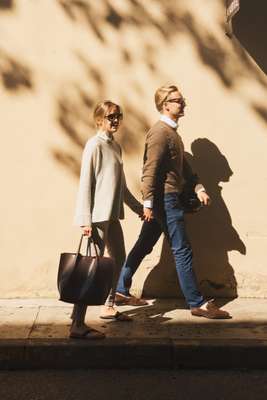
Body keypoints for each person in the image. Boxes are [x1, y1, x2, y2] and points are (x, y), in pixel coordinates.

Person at [115, 84, 231, 319]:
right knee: (182, 249)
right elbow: (150, 171)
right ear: (165, 104)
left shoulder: (172, 133)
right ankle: (196, 303)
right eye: (178, 100)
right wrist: (148, 203)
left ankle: (120, 288)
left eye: (182, 99)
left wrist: (198, 186)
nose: (183, 103)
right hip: (165, 199)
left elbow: (182, 166)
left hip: (165, 199)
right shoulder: (160, 133)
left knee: (144, 244)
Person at [71, 100, 143, 339]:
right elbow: (85, 184)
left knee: (118, 259)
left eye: (118, 116)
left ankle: (109, 306)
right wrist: (85, 220)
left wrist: (137, 208)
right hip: (97, 218)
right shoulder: (94, 145)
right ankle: (77, 324)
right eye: (111, 116)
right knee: (89, 269)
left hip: (112, 216)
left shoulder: (116, 147)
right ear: (99, 119)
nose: (115, 120)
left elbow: (120, 186)